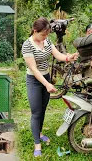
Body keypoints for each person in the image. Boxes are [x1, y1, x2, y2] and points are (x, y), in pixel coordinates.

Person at [21, 17, 78, 157]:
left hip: (46, 77)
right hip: (34, 80)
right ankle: (37, 144)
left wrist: (67, 58)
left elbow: (57, 55)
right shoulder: (27, 45)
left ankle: (39, 132)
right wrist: (47, 85)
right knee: (36, 112)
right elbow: (34, 69)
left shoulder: (46, 40)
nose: (45, 37)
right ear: (35, 31)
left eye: (47, 34)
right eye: (43, 34)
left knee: (43, 108)